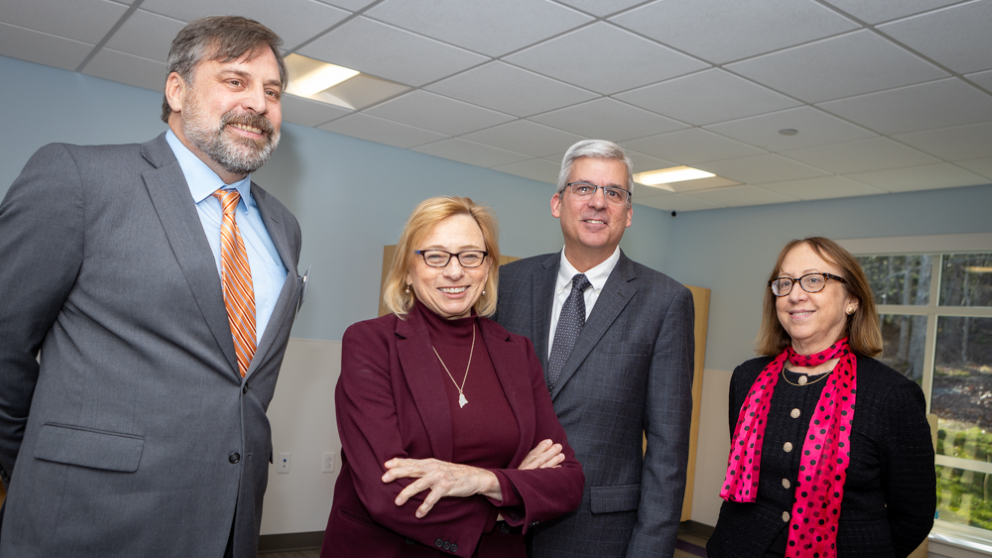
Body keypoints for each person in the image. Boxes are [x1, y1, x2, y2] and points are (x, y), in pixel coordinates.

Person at [0, 16, 303, 558]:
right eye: (236, 81)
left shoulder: (283, 227)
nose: (259, 102)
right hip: (87, 516)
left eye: (273, 90)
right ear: (177, 90)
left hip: (229, 518)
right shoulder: (78, 178)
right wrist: (42, 461)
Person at [320, 196, 584, 558]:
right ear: (408, 269)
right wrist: (508, 499)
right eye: (435, 255)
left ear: (488, 267)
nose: (455, 271)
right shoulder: (370, 342)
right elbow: (387, 493)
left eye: (470, 255)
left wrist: (481, 480)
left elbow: (567, 481)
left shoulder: (517, 352)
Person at [495, 140, 695, 558]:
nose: (598, 203)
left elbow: (668, 450)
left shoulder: (665, 301)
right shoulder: (506, 284)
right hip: (500, 523)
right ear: (557, 202)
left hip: (599, 533)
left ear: (628, 213)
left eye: (614, 193)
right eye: (584, 188)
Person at [707, 237, 935, 558]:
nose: (795, 295)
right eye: (784, 283)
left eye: (814, 280)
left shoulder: (891, 395)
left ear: (851, 300)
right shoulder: (747, 377)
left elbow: (914, 513)